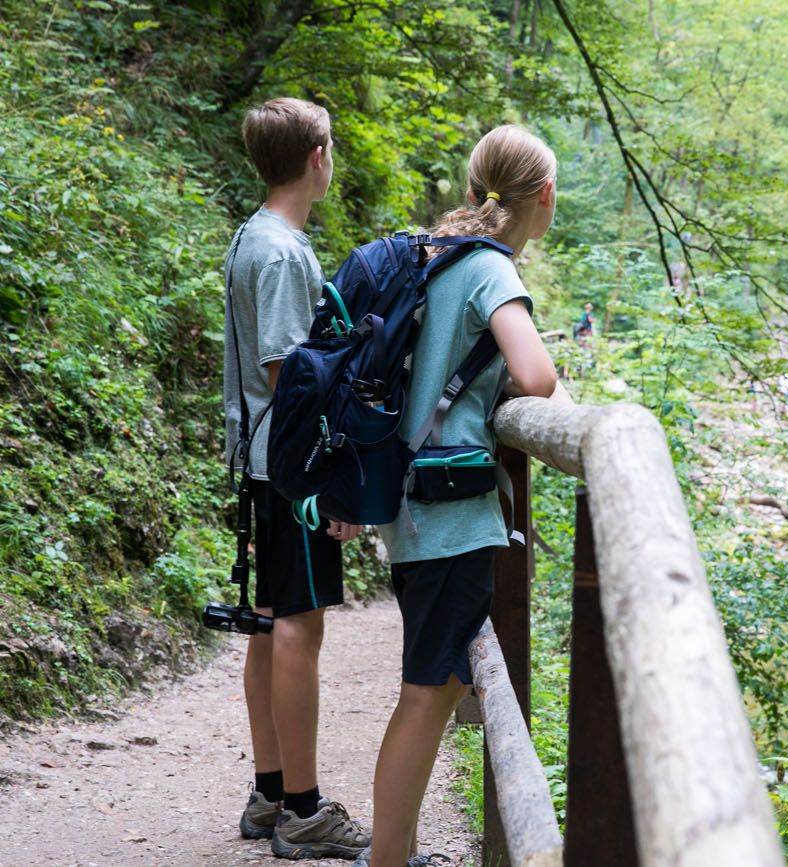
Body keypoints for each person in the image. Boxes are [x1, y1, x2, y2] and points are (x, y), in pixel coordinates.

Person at [360, 124, 564, 867]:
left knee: (430, 686)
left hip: (415, 507)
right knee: (428, 691)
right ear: (543, 196)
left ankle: (395, 850)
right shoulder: (491, 270)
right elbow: (537, 377)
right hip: (449, 518)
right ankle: (387, 858)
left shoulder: (441, 254)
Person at [223, 98, 370, 859]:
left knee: (271, 619)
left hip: (263, 461)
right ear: (317, 158)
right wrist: (331, 482)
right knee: (296, 626)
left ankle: (270, 790)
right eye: (333, 145)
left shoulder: (256, 235)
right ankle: (304, 810)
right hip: (290, 469)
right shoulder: (281, 251)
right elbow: (291, 378)